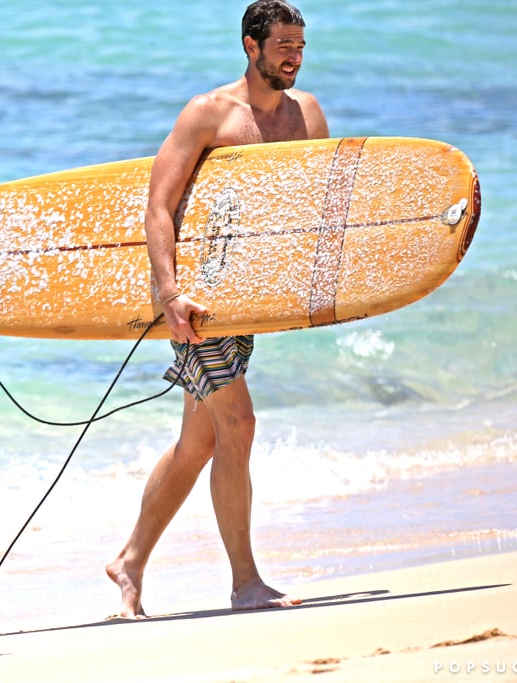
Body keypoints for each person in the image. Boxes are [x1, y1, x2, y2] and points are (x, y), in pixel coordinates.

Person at [106, 0, 329, 619]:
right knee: (239, 425)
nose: (294, 55)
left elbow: (313, 209)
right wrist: (168, 291)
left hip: (247, 302)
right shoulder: (208, 113)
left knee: (199, 440)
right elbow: (159, 204)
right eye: (283, 44)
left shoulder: (307, 114)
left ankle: (128, 561)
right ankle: (245, 583)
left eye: (300, 46)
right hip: (196, 303)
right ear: (251, 47)